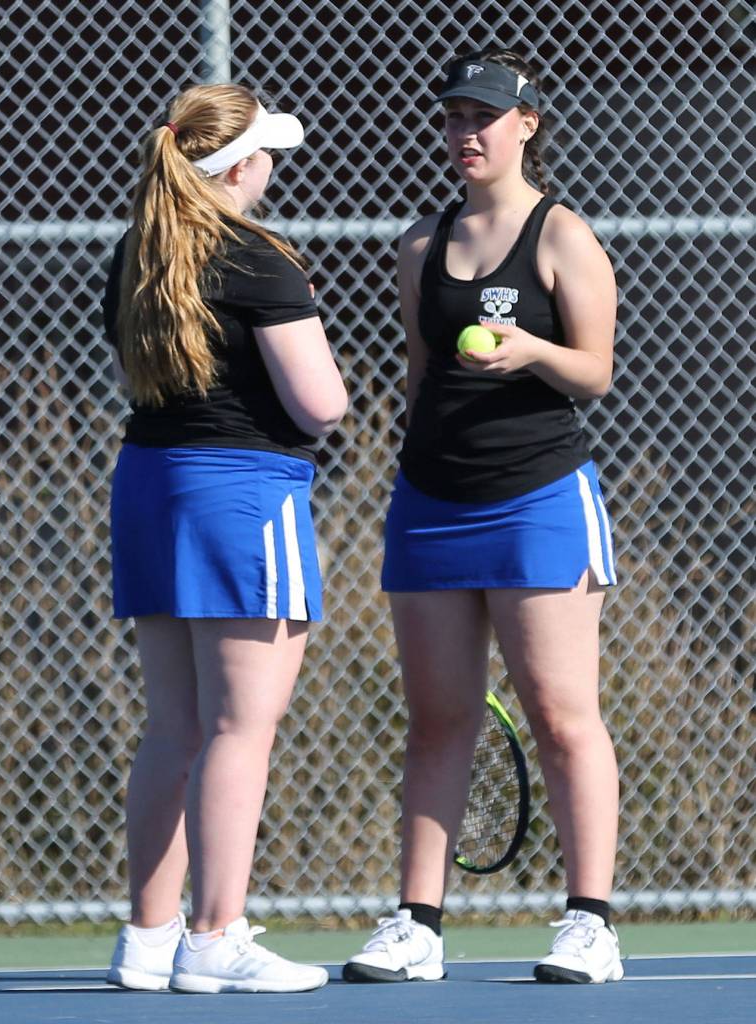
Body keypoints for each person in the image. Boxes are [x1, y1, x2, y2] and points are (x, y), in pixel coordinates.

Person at [343, 47, 623, 986]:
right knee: (438, 718)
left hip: (539, 496)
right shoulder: (421, 244)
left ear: (526, 126)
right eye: (456, 117)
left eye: (485, 118)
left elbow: (596, 371)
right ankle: (416, 922)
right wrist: (411, 474)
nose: (467, 133)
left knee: (560, 713)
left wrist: (530, 348)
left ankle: (591, 922)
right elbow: (422, 379)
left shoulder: (562, 235)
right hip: (430, 504)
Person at [101, 83, 348, 994]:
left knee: (173, 725)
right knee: (242, 727)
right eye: (267, 152)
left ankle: (148, 939)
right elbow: (320, 407)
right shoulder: (260, 258)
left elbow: (142, 376)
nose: (274, 166)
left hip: (149, 488)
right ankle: (214, 938)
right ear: (239, 167)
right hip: (243, 493)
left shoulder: (137, 251)